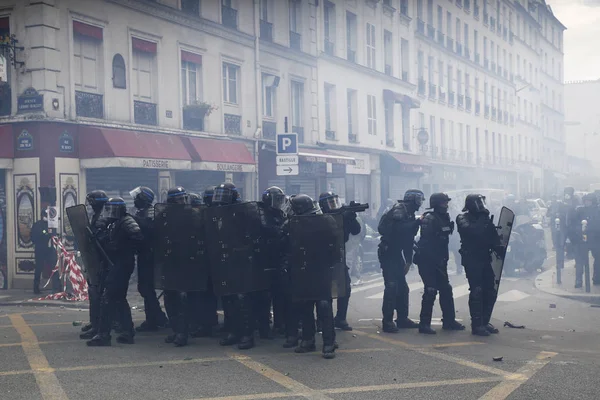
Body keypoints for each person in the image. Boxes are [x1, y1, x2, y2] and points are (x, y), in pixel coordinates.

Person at [87, 197, 143, 346]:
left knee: (108, 297)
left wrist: (120, 247)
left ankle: (104, 335)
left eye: (113, 209)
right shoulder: (114, 222)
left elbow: (138, 239)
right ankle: (127, 332)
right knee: (119, 298)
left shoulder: (127, 221)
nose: (110, 212)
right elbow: (109, 239)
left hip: (122, 264)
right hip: (114, 264)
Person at [287, 194, 337, 359]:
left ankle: (328, 343)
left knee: (323, 305)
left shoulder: (325, 221)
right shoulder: (293, 223)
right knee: (305, 305)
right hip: (303, 268)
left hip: (321, 268)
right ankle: (308, 340)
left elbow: (335, 243)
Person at [213, 182, 255, 350]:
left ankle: (247, 335)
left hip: (242, 260)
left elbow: (253, 233)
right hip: (226, 258)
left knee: (241, 299)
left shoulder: (244, 210)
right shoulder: (218, 212)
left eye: (225, 194)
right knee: (228, 297)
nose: (221, 199)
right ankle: (233, 331)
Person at [415, 193, 465, 334]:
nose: (446, 205)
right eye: (444, 203)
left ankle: (449, 321)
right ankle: (424, 324)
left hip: (440, 258)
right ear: (437, 204)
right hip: (428, 259)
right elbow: (429, 238)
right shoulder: (429, 218)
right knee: (430, 290)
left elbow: (445, 237)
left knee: (446, 290)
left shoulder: (445, 217)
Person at [377, 189, 424, 333]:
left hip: (396, 253)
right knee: (391, 287)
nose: (420, 203)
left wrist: (409, 260)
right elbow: (399, 230)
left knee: (402, 288)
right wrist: (416, 222)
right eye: (419, 200)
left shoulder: (408, 212)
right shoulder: (399, 210)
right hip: (388, 253)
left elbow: (407, 239)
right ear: (413, 199)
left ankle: (402, 319)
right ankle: (387, 321)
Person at [456, 194, 503, 337]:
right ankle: (476, 325)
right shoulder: (462, 218)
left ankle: (484, 321)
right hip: (471, 259)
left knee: (490, 290)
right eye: (479, 202)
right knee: (477, 291)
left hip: (484, 258)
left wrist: (499, 248)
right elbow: (474, 232)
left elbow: (492, 236)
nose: (482, 205)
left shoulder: (485, 220)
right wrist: (483, 219)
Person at [319, 191, 361, 331]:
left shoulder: (342, 216)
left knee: (346, 288)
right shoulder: (320, 217)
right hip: (324, 259)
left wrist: (351, 218)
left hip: (339, 257)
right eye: (330, 203)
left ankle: (340, 318)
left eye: (335, 201)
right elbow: (331, 232)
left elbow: (356, 231)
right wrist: (343, 217)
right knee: (325, 292)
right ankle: (325, 320)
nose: (334, 205)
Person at [130, 186, 168, 332]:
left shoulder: (152, 212)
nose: (134, 201)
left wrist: (135, 220)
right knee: (145, 288)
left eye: (137, 198)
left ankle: (158, 318)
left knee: (146, 288)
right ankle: (152, 319)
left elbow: (150, 228)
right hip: (143, 254)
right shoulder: (141, 212)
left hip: (152, 255)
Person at [162, 186, 194, 347]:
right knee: (169, 297)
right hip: (169, 261)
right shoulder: (163, 215)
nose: (182, 201)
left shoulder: (191, 214)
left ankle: (183, 333)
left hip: (186, 261)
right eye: (179, 199)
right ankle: (175, 330)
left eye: (184, 198)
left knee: (182, 298)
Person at [257, 186, 288, 338]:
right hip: (265, 259)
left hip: (278, 258)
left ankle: (280, 324)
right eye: (277, 199)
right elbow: (269, 229)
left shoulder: (280, 213)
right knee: (264, 297)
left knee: (280, 295)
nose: (279, 203)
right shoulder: (262, 213)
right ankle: (264, 327)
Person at [80, 190, 109, 339]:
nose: (90, 205)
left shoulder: (104, 217)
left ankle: (100, 326)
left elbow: (102, 240)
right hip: (94, 261)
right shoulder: (96, 216)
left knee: (99, 295)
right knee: (93, 293)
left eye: (92, 202)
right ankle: (95, 323)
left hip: (102, 262)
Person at [31, 210, 58, 294]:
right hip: (40, 250)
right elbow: (35, 236)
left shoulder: (50, 224)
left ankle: (57, 287)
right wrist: (46, 234)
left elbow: (53, 234)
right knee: (39, 269)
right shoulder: (38, 225)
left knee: (54, 267)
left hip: (49, 249)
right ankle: (36, 288)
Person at [575, 193, 600, 286]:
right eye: (585, 201)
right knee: (580, 260)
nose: (587, 203)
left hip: (596, 239)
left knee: (598, 259)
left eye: (589, 201)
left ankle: (597, 278)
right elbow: (575, 223)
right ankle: (578, 280)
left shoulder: (598, 210)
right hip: (583, 239)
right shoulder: (580, 211)